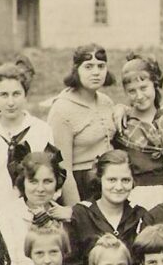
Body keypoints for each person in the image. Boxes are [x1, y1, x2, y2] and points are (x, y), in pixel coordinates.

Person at [0, 55, 66, 209]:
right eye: (4, 95)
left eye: (16, 94)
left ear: (25, 96)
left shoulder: (41, 130)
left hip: (35, 212)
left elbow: (55, 174)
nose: (10, 102)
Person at [64, 150, 147, 265]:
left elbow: (146, 263)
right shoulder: (80, 215)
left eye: (125, 180)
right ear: (99, 179)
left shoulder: (140, 215)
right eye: (112, 180)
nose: (119, 187)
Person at [49, 44, 118, 200]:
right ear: (76, 70)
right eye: (88, 67)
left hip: (110, 184)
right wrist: (76, 212)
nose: (96, 72)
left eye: (101, 66)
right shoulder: (62, 109)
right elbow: (63, 169)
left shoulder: (106, 102)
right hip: (81, 187)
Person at [114, 54, 163, 210]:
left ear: (155, 84)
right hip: (138, 198)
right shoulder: (123, 125)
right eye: (132, 91)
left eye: (144, 88)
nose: (139, 96)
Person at [0, 149, 72, 265]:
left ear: (57, 183)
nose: (40, 189)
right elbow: (8, 262)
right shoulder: (8, 215)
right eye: (33, 182)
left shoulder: (66, 216)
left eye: (47, 181)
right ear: (23, 182)